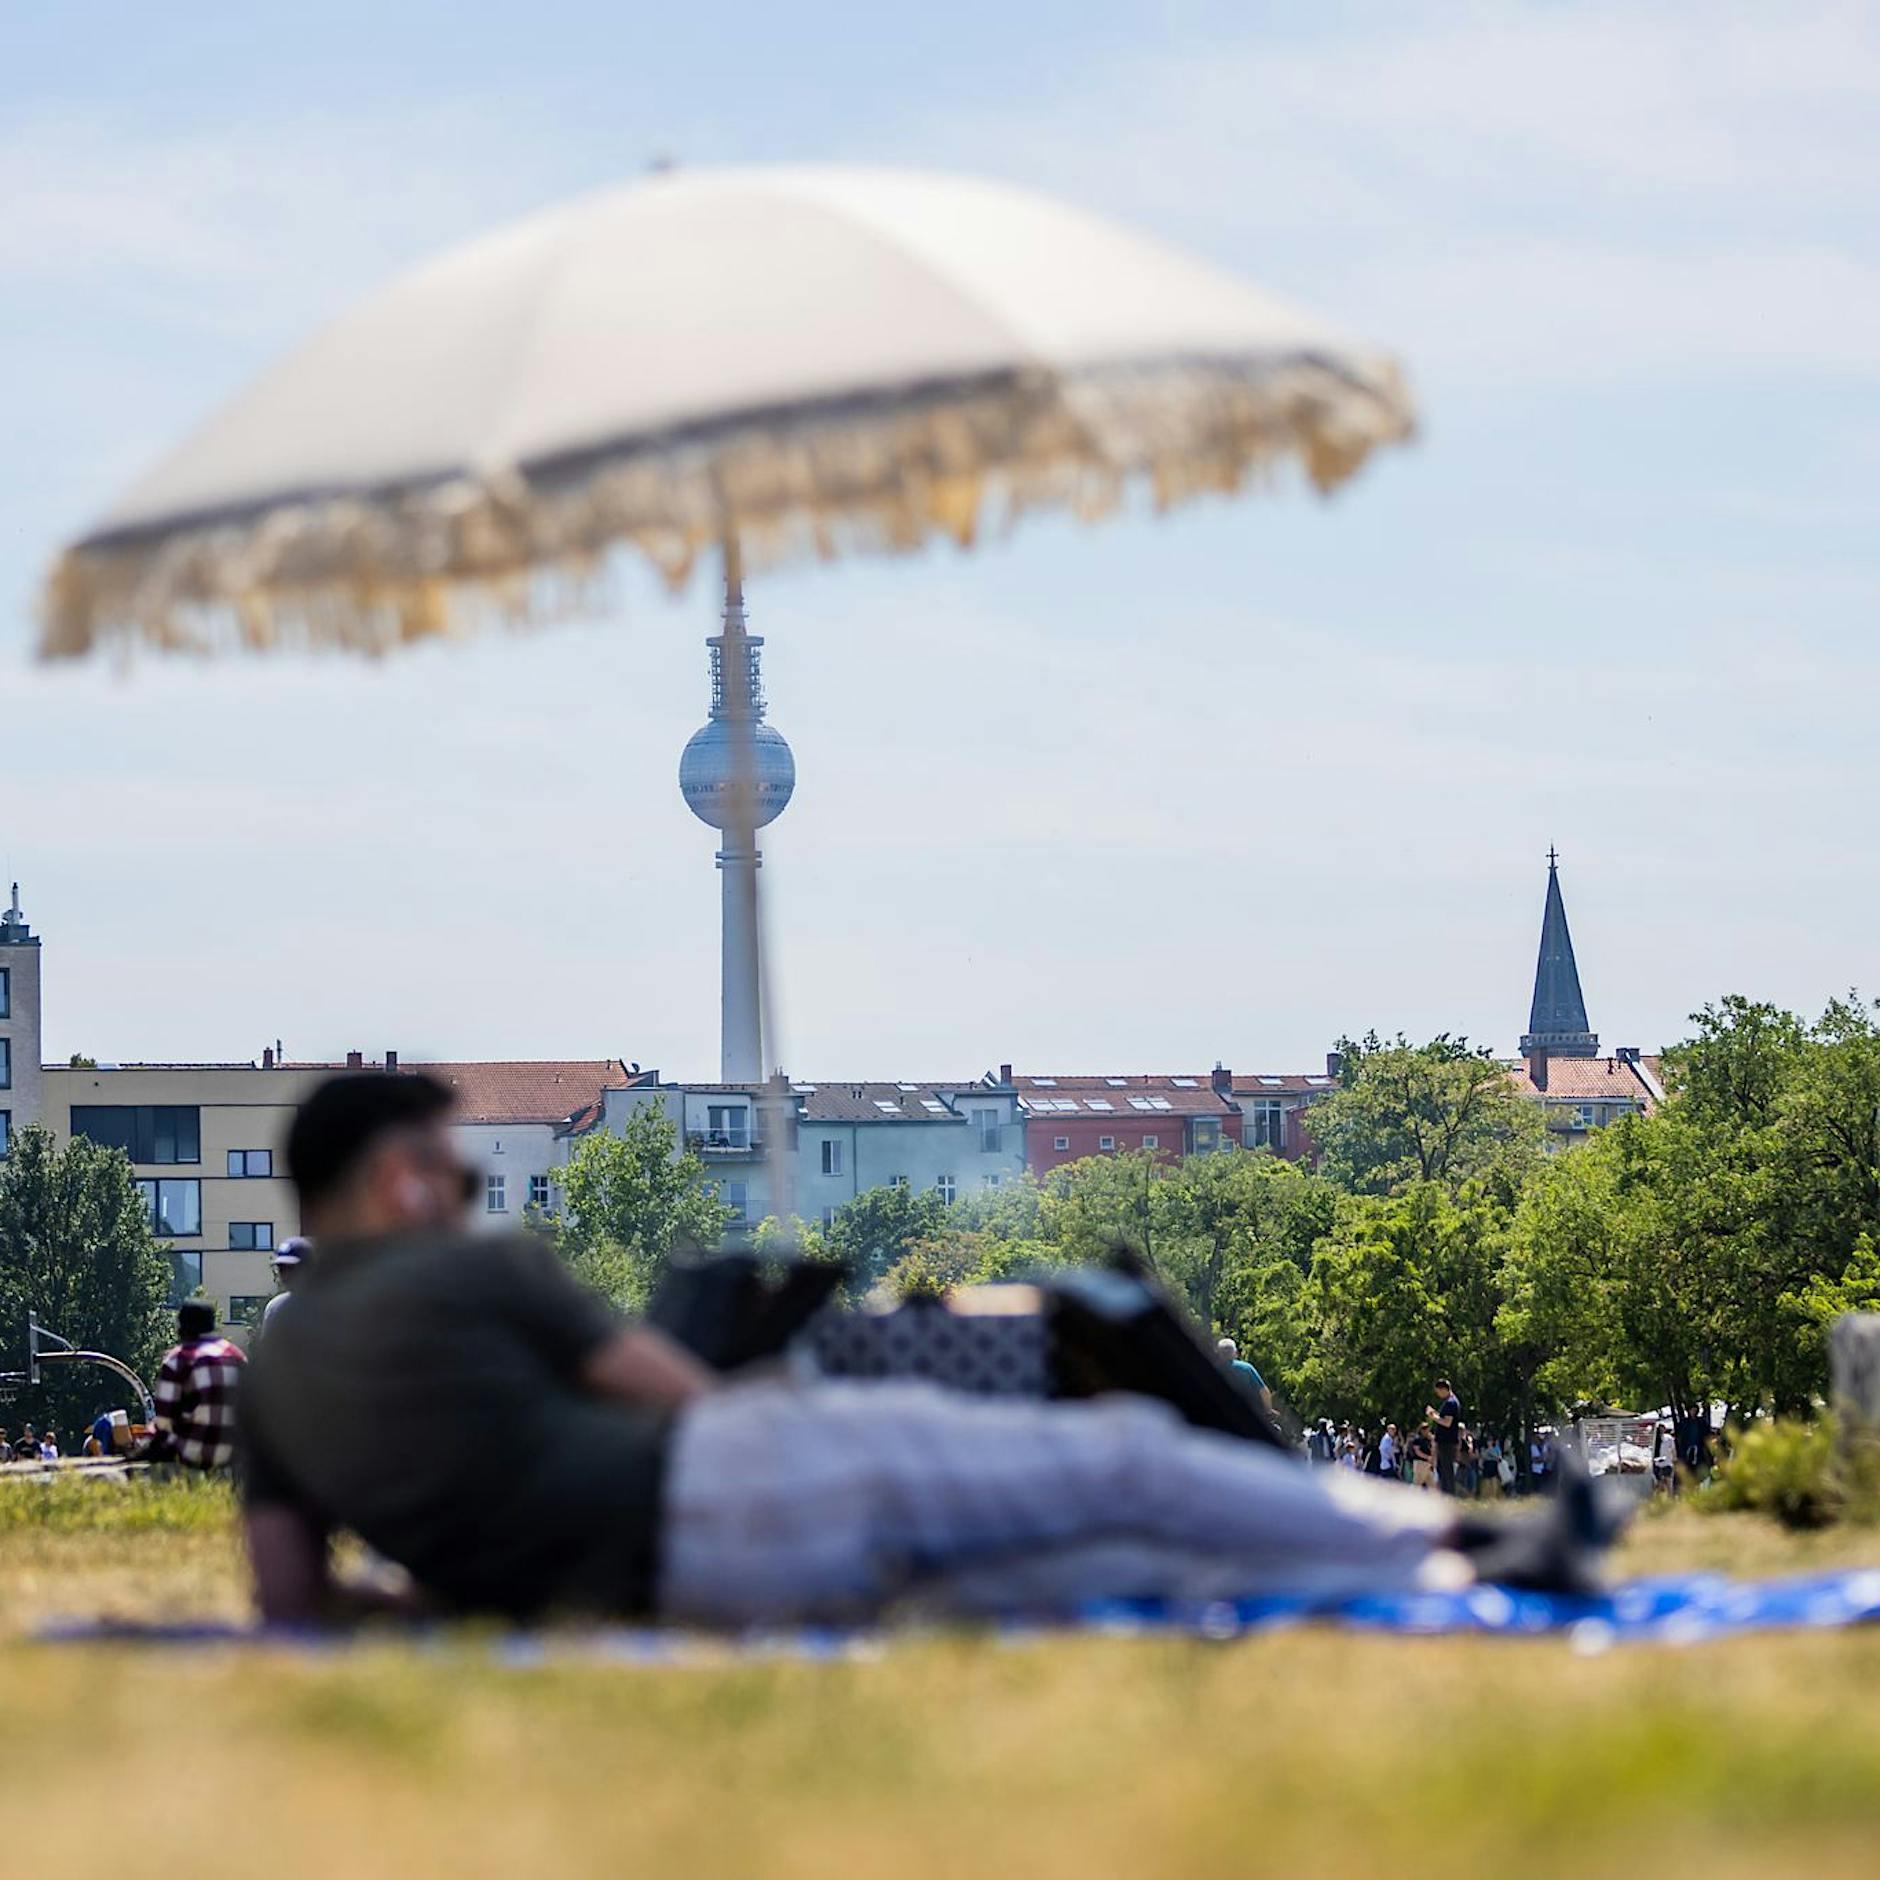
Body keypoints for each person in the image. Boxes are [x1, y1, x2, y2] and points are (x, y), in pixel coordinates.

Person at [241, 1073, 1617, 1628]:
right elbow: (677, 1394)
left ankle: (1452, 1573)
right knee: (1125, 1458)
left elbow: (294, 1598)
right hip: (743, 1474)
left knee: (1100, 1572)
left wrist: (456, 1580)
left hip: (686, 1594)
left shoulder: (274, 1384)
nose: (464, 1192)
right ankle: (1464, 1538)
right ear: (395, 1180)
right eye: (451, 1170)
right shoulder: (470, 1270)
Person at [145, 1302, 246, 1469]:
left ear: (182, 1329)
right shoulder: (236, 1356)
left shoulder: (178, 1359)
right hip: (237, 1453)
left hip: (193, 1453)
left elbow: (164, 1422)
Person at [258, 1237, 312, 1341]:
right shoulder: (276, 1307)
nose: (286, 1275)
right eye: (282, 1269)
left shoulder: (332, 1305)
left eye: (291, 1268)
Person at [1214, 1337, 1274, 1416]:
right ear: (1235, 1352)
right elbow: (1264, 1391)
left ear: (1219, 1353)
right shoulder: (1246, 1368)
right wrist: (1268, 1410)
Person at [1427, 1379, 1463, 1496]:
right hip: (1445, 1441)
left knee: (1447, 1471)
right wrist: (1435, 1413)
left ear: (1443, 1389)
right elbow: (1444, 1418)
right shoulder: (1449, 1402)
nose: (1438, 1394)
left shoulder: (1450, 1403)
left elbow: (1447, 1422)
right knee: (1442, 1470)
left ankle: (1449, 1495)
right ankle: (1445, 1494)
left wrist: (1433, 1417)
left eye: (1438, 1391)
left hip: (1447, 1442)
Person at [1408, 1423, 1435, 1490]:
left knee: (1432, 1484)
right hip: (1420, 1463)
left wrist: (1432, 1439)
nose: (1428, 1431)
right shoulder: (1417, 1439)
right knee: (1417, 1483)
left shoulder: (1428, 1439)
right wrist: (1427, 1457)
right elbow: (1417, 1452)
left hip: (1428, 1464)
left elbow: (1432, 1448)